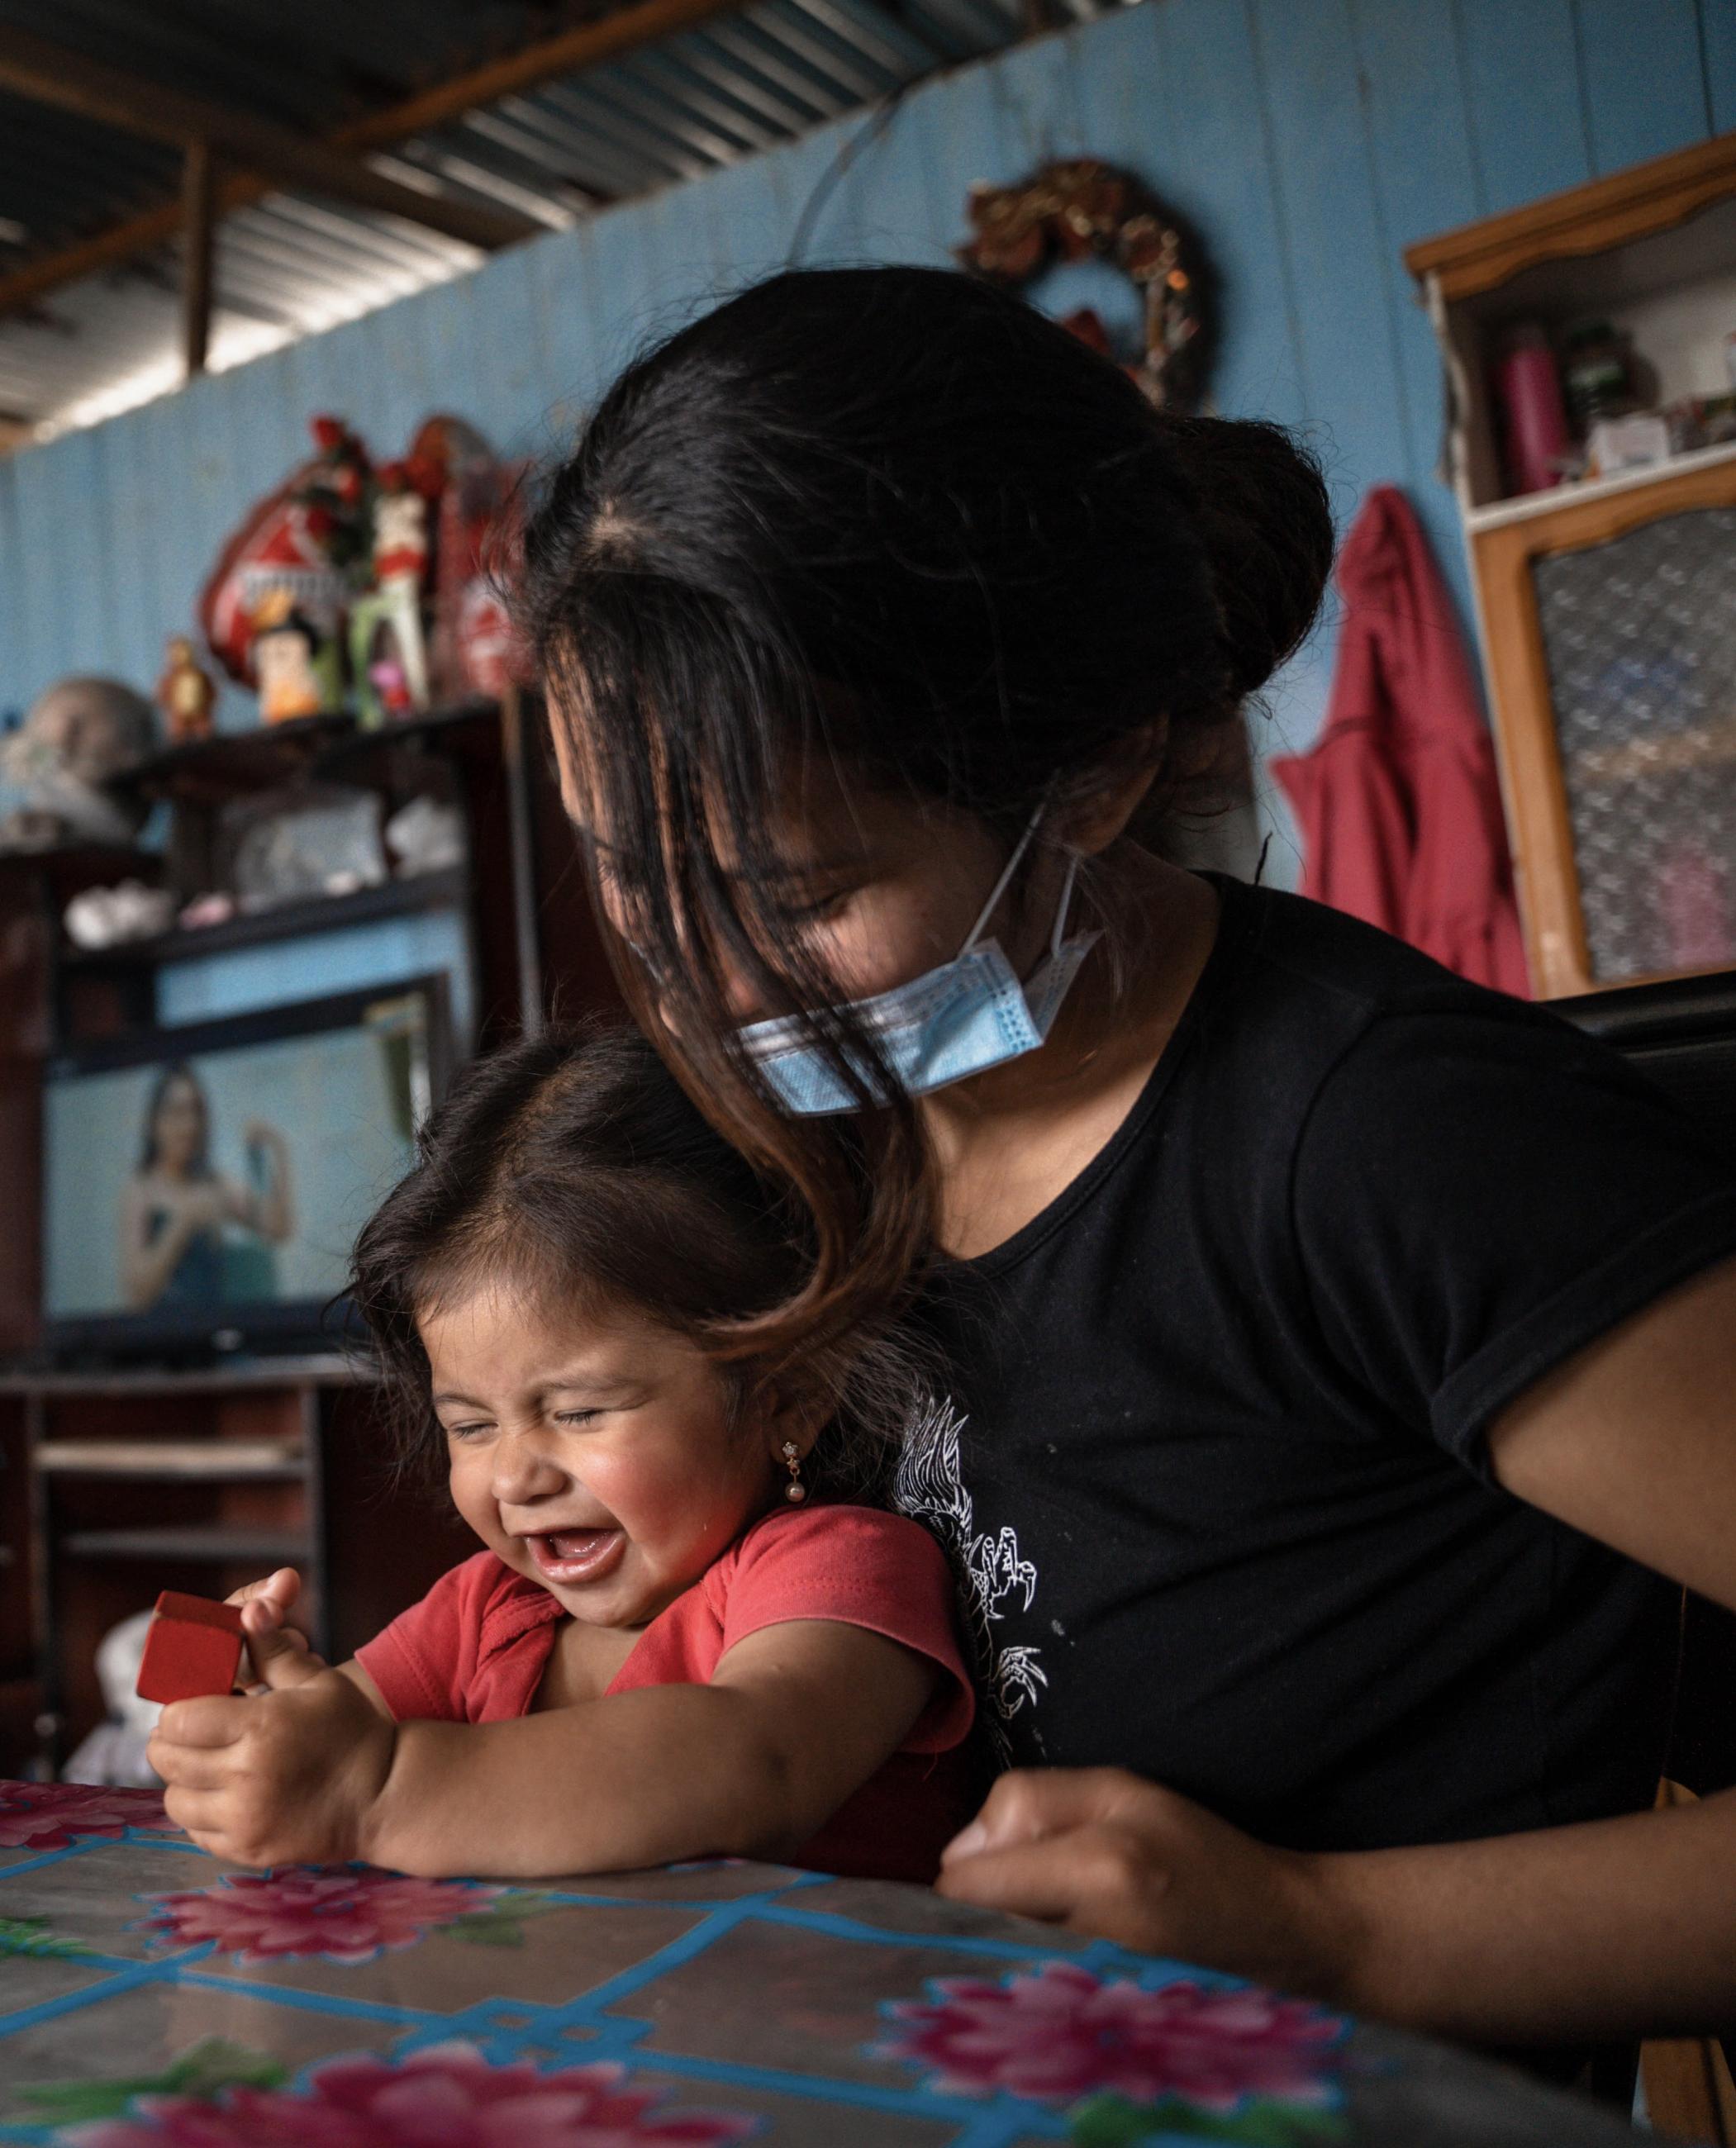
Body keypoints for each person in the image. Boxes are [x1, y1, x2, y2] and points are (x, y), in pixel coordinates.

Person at [509, 264, 1736, 2074]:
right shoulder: (805, 1148)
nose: (699, 983)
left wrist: (1327, 1930)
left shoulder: (1394, 1146)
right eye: (630, 871)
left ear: (1091, 774)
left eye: (796, 899)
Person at [147, 1024, 976, 1884]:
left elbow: (756, 1762)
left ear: (789, 1391)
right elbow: (337, 1743)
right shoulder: (481, 1614)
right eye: (469, 1426)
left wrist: (381, 1790)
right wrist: (270, 1720)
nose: (514, 1476)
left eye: (578, 1411)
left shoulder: (841, 1570)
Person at [121, 1063, 293, 1312]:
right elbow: (137, 1295)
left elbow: (279, 1228)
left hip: (219, 1333)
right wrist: (183, 1222)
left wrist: (278, 1147)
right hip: (163, 1343)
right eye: (177, 1111)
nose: (189, 1125)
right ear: (154, 1120)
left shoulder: (215, 1183)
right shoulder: (139, 1188)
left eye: (196, 1112)